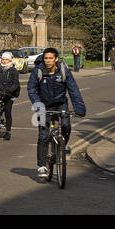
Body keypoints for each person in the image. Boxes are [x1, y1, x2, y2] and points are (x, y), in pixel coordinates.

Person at [28, 47, 86, 181]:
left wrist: (79, 109)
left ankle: (62, 145)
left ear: (56, 59)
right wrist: (38, 105)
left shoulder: (64, 71)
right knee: (43, 134)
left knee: (66, 125)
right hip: (44, 105)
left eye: (50, 58)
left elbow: (73, 90)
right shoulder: (38, 71)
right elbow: (32, 89)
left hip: (60, 103)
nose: (47, 61)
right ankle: (42, 165)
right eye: (46, 58)